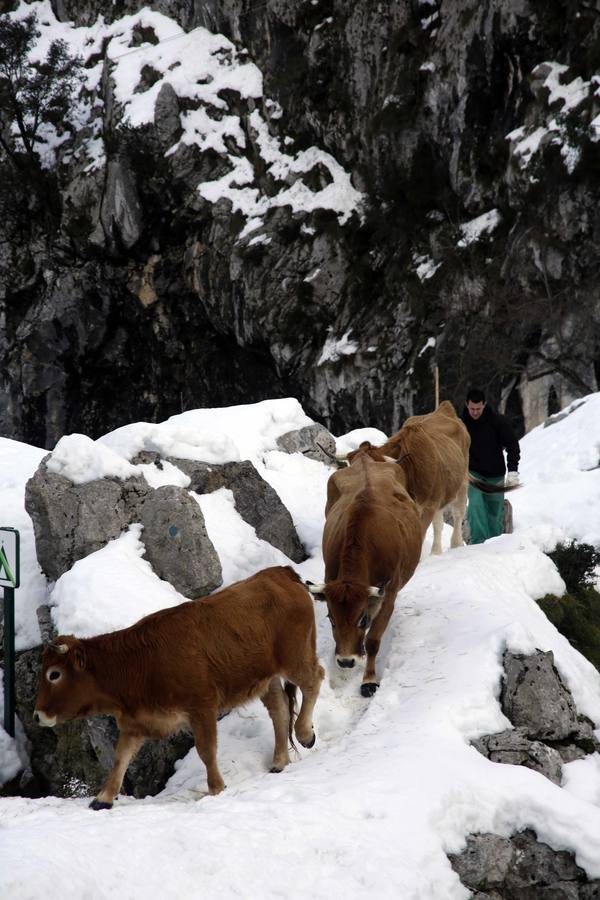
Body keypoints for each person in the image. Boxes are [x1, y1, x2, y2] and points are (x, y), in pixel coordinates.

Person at [460, 388, 520, 544]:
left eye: (478, 408)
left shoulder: (497, 422)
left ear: (484, 404)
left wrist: (513, 471)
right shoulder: (460, 424)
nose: (475, 412)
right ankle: (478, 544)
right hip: (473, 474)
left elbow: (512, 445)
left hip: (495, 474)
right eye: (472, 408)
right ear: (467, 404)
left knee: (494, 514)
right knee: (476, 506)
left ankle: (494, 546)